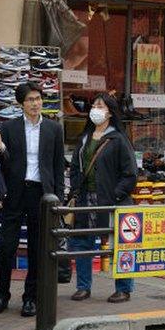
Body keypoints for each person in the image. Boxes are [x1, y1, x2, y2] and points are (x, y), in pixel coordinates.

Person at [0, 83, 65, 318]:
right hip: (14, 192)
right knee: (6, 247)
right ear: (21, 104)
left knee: (37, 247)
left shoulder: (54, 129)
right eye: (30, 99)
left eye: (38, 99)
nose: (35, 103)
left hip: (42, 194)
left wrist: (58, 199)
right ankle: (2, 294)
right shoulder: (9, 128)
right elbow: (2, 164)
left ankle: (31, 297)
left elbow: (57, 166)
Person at [68, 93, 137, 303]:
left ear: (110, 112)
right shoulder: (85, 137)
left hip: (111, 200)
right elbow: (74, 166)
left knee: (119, 244)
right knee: (82, 242)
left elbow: (130, 173)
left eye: (101, 105)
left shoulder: (118, 139)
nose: (95, 109)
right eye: (94, 105)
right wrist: (75, 186)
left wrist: (115, 194)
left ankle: (124, 288)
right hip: (85, 198)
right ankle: (83, 287)